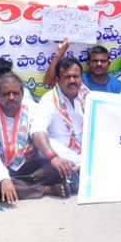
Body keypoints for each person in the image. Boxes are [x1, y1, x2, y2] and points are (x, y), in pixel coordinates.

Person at [0, 73, 54, 203]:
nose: (11, 98)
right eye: (6, 94)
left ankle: (6, 190)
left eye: (15, 93)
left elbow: (45, 136)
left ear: (22, 94)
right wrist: (4, 178)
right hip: (0, 168)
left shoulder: (33, 109)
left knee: (53, 168)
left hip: (27, 167)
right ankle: (46, 189)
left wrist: (35, 146)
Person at [30, 58, 88, 196]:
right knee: (46, 141)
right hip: (60, 155)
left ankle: (80, 170)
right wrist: (54, 158)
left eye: (76, 76)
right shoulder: (49, 100)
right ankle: (84, 168)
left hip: (82, 149)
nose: (72, 81)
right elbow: (37, 131)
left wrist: (89, 112)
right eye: (67, 77)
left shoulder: (88, 96)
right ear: (57, 79)